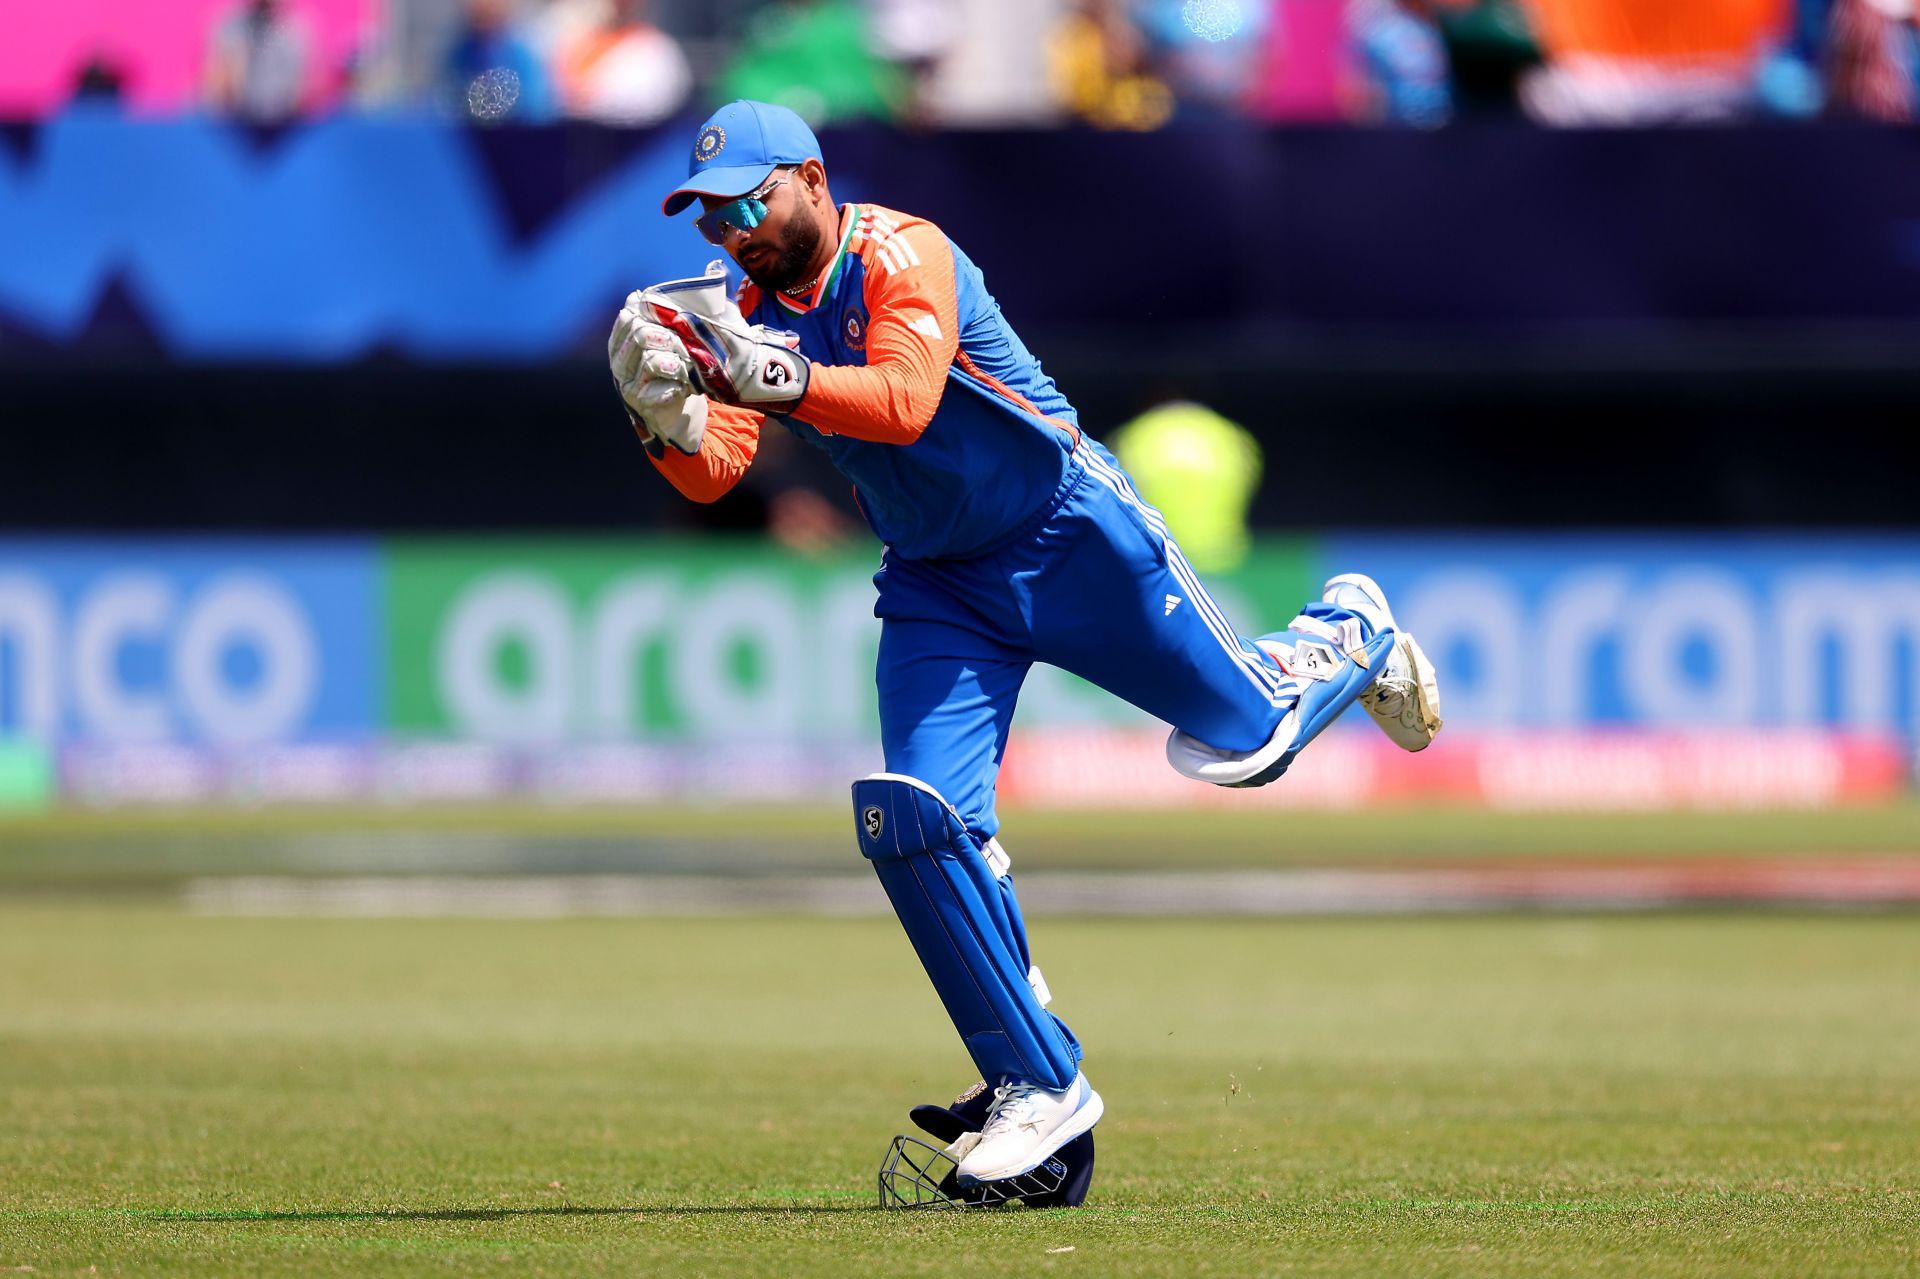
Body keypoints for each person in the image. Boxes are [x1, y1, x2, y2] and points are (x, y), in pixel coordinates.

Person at [605, 99, 1443, 1194]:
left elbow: (903, 403)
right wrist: (660, 411)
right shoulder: (755, 308)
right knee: (917, 822)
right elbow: (719, 470)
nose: (733, 234)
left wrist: (753, 371)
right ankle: (1034, 1084)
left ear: (810, 177)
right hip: (936, 581)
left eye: (749, 202)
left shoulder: (904, 250)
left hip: (1065, 533)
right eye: (711, 220)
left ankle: (1350, 628)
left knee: (1253, 742)